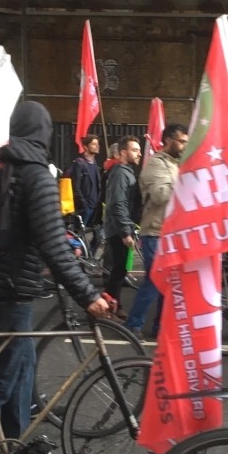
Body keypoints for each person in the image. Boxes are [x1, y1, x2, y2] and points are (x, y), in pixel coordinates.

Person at [0, 101, 111, 454]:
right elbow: (53, 243)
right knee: (0, 378)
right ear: (44, 132)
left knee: (11, 369)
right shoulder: (35, 173)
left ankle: (11, 441)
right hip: (9, 287)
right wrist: (88, 294)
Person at [125, 123, 188, 338]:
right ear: (169, 140)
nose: (184, 146)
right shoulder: (155, 164)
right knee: (155, 281)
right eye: (181, 141)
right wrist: (185, 180)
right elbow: (161, 195)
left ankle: (160, 326)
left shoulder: (177, 164)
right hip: (155, 232)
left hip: (172, 233)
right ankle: (133, 324)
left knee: (169, 284)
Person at [101, 135, 141, 318]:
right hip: (118, 230)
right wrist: (125, 232)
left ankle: (111, 305)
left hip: (120, 228)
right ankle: (109, 305)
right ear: (124, 153)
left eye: (139, 150)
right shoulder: (120, 173)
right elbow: (117, 204)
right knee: (119, 269)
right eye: (135, 150)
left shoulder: (125, 171)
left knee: (120, 269)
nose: (139, 153)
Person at [69, 133, 102, 228]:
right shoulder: (79, 163)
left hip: (95, 207)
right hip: (85, 208)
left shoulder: (95, 164)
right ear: (85, 147)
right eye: (94, 144)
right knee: (79, 235)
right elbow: (75, 186)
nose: (98, 146)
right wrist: (84, 205)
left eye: (98, 144)